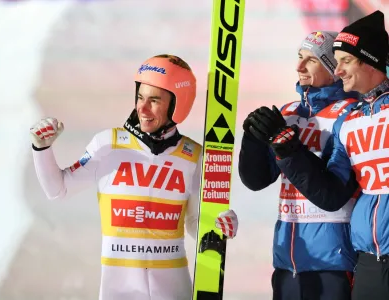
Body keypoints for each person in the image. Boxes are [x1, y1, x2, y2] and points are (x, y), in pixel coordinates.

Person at [30, 54, 238, 300]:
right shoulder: (108, 144)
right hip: (118, 292)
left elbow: (193, 221)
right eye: (139, 97)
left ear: (177, 104)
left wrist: (219, 226)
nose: (141, 107)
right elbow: (58, 190)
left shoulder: (193, 155)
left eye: (153, 100)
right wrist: (41, 149)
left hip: (173, 291)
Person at [259, 11, 389, 300]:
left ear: (369, 61)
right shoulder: (353, 122)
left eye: (345, 61)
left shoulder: (345, 116)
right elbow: (330, 191)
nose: (339, 70)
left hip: (343, 258)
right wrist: (273, 146)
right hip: (366, 258)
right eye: (336, 62)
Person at [239, 31, 359, 300]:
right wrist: (253, 140)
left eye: (311, 60)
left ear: (334, 68)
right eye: (299, 57)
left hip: (333, 262)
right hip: (287, 261)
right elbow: (256, 180)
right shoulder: (288, 112)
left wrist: (290, 147)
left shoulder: (350, 114)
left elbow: (332, 192)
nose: (299, 67)